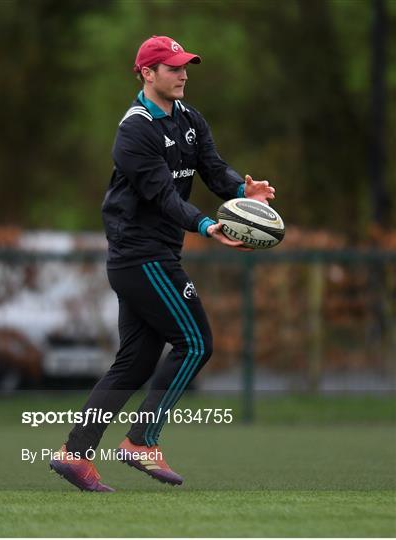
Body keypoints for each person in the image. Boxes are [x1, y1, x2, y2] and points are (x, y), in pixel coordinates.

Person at [50, 35, 275, 492]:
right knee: (195, 343)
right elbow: (162, 195)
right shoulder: (133, 130)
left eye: (185, 65)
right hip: (142, 256)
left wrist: (240, 192)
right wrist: (209, 226)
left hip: (152, 255)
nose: (183, 73)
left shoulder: (190, 118)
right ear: (146, 74)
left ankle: (75, 454)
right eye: (172, 67)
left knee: (134, 362)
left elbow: (213, 167)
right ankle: (141, 441)